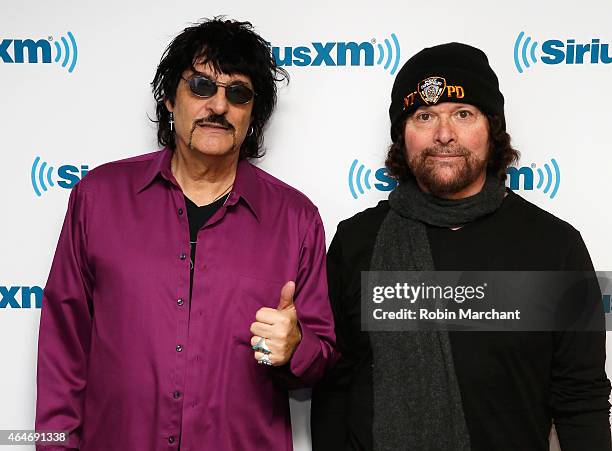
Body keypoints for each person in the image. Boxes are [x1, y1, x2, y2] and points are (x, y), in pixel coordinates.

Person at [35, 18, 336, 451]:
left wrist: (297, 348)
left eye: (238, 93)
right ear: (170, 100)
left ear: (253, 115)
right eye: (201, 86)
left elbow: (321, 357)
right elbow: (63, 347)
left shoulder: (296, 220)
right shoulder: (97, 199)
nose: (218, 106)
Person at [311, 42, 611, 451]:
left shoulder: (555, 247)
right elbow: (334, 386)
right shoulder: (357, 241)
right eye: (424, 116)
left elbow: (582, 400)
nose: (444, 134)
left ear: (492, 127)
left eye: (462, 114)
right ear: (403, 135)